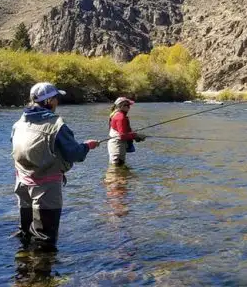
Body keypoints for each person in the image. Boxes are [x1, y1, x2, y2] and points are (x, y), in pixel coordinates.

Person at [10, 82, 100, 252]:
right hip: (46, 188)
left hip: (22, 183)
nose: (58, 102)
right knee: (45, 239)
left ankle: (23, 268)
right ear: (49, 100)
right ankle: (42, 276)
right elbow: (74, 154)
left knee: (25, 233)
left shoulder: (19, 123)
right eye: (56, 98)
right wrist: (87, 146)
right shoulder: (56, 125)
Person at [107, 97, 146, 166]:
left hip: (116, 144)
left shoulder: (116, 115)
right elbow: (123, 136)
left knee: (118, 168)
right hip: (117, 145)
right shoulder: (120, 117)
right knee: (117, 168)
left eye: (129, 105)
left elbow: (123, 133)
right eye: (126, 105)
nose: (129, 107)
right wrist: (136, 135)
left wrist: (134, 136)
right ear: (120, 106)